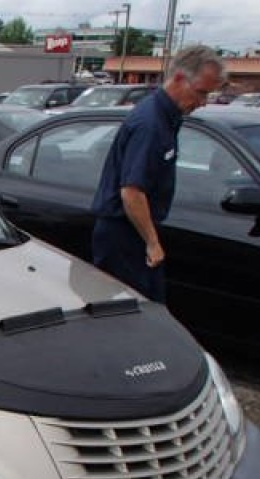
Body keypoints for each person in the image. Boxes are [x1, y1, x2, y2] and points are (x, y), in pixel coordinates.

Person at [91, 46, 226, 302]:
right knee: (135, 314)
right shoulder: (150, 124)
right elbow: (132, 192)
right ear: (178, 79)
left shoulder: (166, 118)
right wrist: (152, 243)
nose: (203, 102)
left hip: (132, 232)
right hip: (123, 236)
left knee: (147, 311)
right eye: (201, 93)